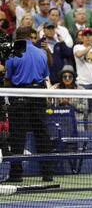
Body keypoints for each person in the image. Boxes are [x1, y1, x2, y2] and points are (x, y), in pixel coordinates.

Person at [5, 26, 53, 182]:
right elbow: (44, 75)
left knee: (17, 138)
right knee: (42, 136)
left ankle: (16, 175)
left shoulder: (13, 54)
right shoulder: (41, 53)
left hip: (20, 98)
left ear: (18, 38)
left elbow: (8, 78)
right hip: (38, 97)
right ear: (29, 37)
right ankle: (47, 174)